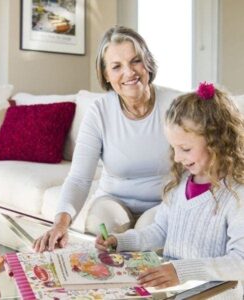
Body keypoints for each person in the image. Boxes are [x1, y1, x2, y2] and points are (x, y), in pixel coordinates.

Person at [33, 26, 181, 252]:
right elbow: (79, 179)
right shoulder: (99, 112)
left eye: (136, 61)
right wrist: (60, 223)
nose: (129, 72)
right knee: (103, 226)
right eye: (116, 66)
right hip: (113, 200)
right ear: (106, 75)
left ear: (148, 63)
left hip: (163, 204)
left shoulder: (177, 105)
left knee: (148, 235)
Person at [96, 82, 244, 298]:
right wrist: (121, 241)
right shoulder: (181, 183)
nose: (176, 158)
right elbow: (160, 231)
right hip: (176, 291)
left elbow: (240, 261)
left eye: (185, 149)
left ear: (217, 141)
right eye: (174, 148)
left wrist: (182, 271)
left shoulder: (236, 195)